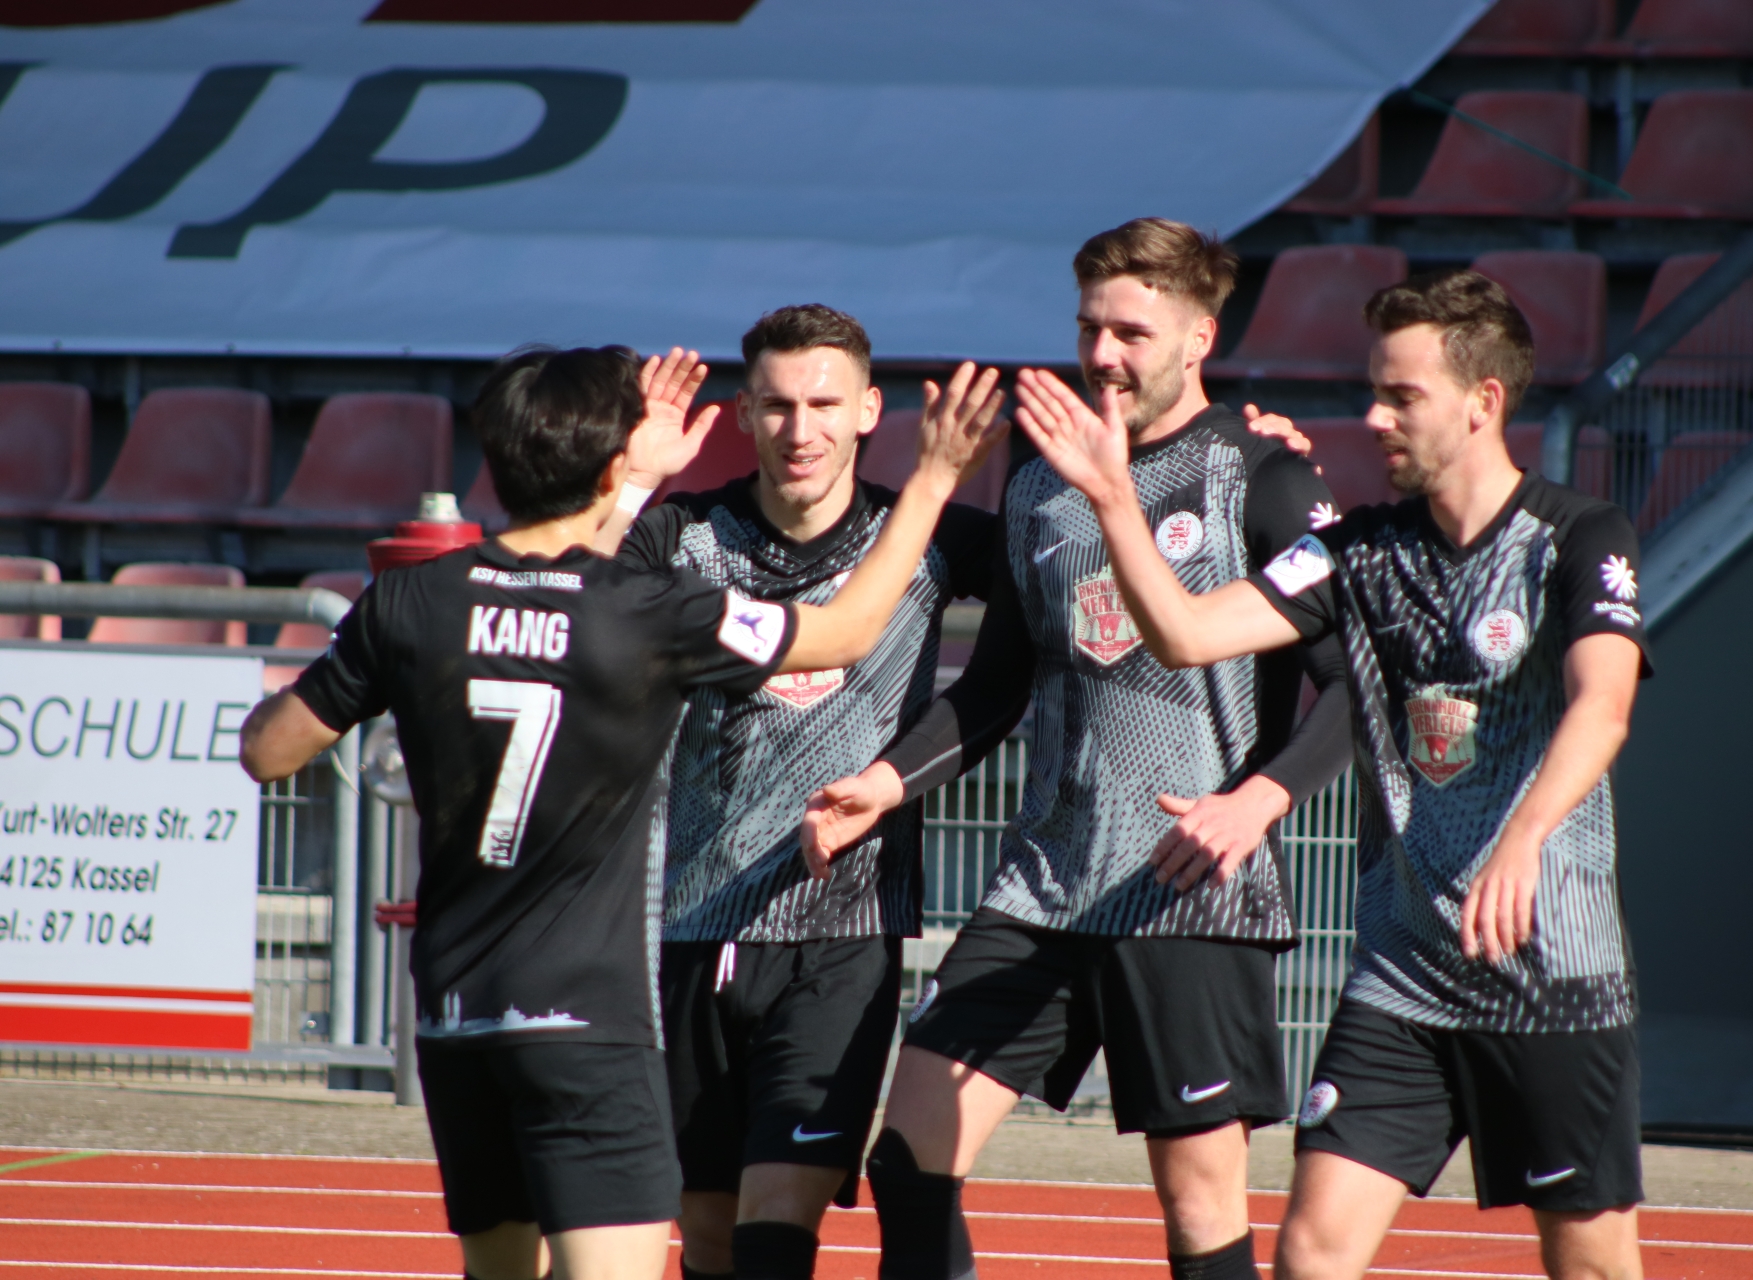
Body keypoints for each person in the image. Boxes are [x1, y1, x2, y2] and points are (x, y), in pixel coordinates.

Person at [239, 342, 1006, 1280]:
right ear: (611, 465)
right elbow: (845, 632)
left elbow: (267, 751)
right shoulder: (647, 606)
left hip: (453, 1013)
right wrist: (932, 479)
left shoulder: (408, 601)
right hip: (590, 1012)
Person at [1015, 268, 1649, 1280]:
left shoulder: (1578, 536)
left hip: (1552, 980)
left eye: (1402, 395)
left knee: (1591, 1262)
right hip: (1402, 977)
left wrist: (1523, 839)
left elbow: (1602, 704)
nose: (1374, 416)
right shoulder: (1354, 551)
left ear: (1482, 401)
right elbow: (1186, 633)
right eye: (1373, 390)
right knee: (1310, 1252)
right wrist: (1114, 500)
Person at [802, 218, 1352, 1280]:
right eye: (1089, 327)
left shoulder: (1263, 475)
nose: (1102, 354)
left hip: (1189, 892)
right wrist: (884, 781)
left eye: (1131, 333)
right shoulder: (1039, 484)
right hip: (1043, 886)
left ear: (1199, 337)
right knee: (908, 1160)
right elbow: (996, 685)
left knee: (1199, 1208)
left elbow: (1357, 686)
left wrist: (1259, 800)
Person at [592, 305, 998, 1280]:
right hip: (688, 930)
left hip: (842, 934)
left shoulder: (934, 534)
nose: (800, 428)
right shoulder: (684, 535)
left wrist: (1264, 470)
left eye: (823, 404)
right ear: (742, 414)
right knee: (707, 1232)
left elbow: (1071, 583)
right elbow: (567, 592)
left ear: (868, 410)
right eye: (776, 405)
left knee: (779, 1218)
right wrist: (634, 478)